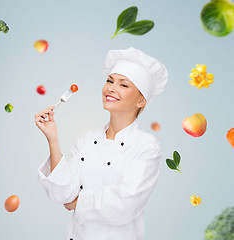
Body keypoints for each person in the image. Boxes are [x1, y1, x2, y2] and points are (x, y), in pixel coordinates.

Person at [35, 47, 168, 240]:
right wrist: (52, 139)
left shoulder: (146, 146)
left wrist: (77, 203)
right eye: (109, 81)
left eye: (124, 85)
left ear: (141, 100)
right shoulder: (86, 141)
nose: (111, 88)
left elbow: (125, 205)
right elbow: (62, 193)